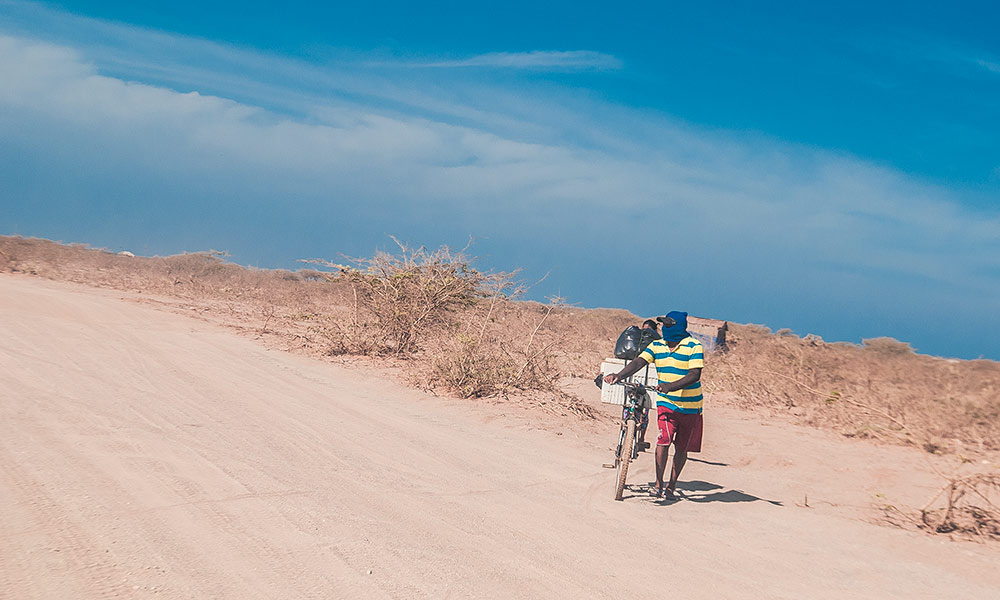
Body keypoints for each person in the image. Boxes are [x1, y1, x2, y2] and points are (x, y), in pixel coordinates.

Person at [604, 311, 704, 498]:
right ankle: (658, 484)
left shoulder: (693, 346)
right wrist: (619, 375)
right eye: (664, 325)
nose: (666, 329)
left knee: (681, 448)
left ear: (679, 326)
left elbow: (695, 375)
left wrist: (670, 386)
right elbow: (639, 362)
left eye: (669, 325)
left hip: (691, 406)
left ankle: (671, 486)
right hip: (666, 403)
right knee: (663, 441)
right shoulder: (657, 345)